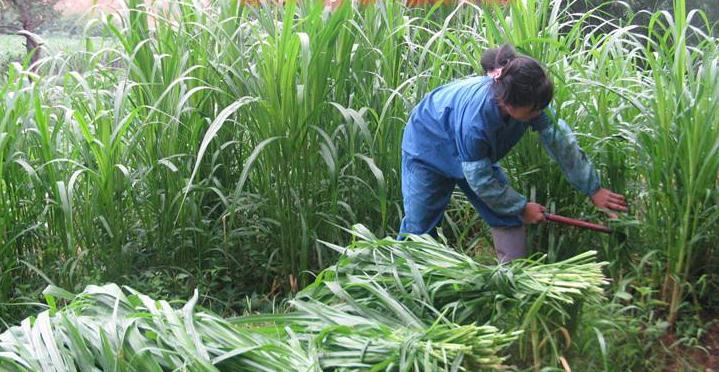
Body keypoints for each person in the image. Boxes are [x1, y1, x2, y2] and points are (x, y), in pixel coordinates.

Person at [399, 44, 628, 262]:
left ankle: (512, 283)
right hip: (427, 145)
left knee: (506, 214)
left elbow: (561, 142)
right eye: (532, 112)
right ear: (507, 104)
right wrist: (521, 207)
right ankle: (402, 283)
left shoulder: (531, 99)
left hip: (469, 151)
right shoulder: (477, 123)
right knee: (419, 229)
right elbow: (481, 180)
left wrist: (593, 189)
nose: (538, 115)